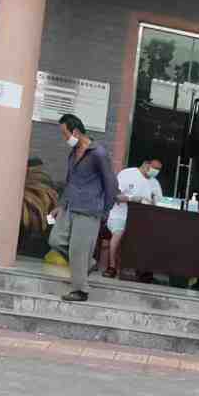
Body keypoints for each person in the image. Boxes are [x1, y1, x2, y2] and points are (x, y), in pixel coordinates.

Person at [48, 114, 119, 303]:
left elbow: (111, 184)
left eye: (65, 134)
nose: (64, 138)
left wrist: (105, 211)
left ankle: (80, 290)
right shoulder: (73, 153)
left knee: (78, 250)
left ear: (76, 132)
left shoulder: (99, 153)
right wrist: (61, 205)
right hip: (70, 206)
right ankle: (89, 263)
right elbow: (70, 181)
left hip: (89, 210)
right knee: (55, 240)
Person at [104, 156, 162, 277]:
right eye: (154, 168)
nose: (156, 171)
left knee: (150, 236)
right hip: (120, 215)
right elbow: (116, 196)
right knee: (118, 233)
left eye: (158, 170)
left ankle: (142, 269)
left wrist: (152, 201)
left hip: (142, 219)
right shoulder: (127, 174)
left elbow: (159, 202)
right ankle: (112, 267)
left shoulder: (155, 183)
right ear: (146, 164)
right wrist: (132, 199)